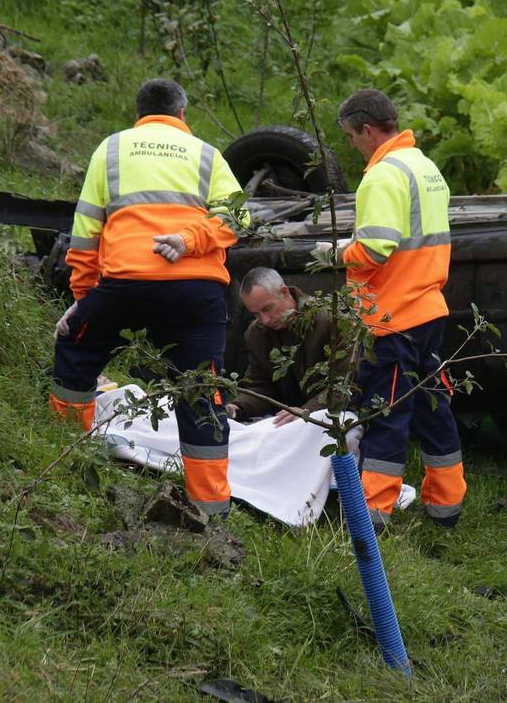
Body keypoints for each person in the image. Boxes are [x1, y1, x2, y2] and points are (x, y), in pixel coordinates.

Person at [48, 79, 248, 518]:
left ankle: (63, 462)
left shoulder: (112, 149)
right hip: (197, 290)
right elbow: (239, 216)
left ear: (137, 113)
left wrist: (85, 301)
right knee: (201, 389)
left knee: (77, 353)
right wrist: (191, 239)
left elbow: (84, 236)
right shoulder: (207, 154)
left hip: (125, 284)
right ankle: (211, 508)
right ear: (183, 113)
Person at [332, 88, 465, 530]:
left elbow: (374, 249)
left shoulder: (383, 175)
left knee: (385, 414)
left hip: (393, 317)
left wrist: (336, 253)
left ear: (368, 130)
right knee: (433, 408)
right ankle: (446, 505)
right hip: (427, 309)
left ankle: (373, 516)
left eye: (352, 136)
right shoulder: (425, 168)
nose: (352, 145)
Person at [229, 267, 347, 426]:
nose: (264, 320)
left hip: (332, 414)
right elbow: (260, 386)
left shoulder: (330, 321)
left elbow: (346, 385)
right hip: (287, 420)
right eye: (255, 314)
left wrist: (307, 410)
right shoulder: (256, 334)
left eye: (266, 309)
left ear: (284, 292)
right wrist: (238, 406)